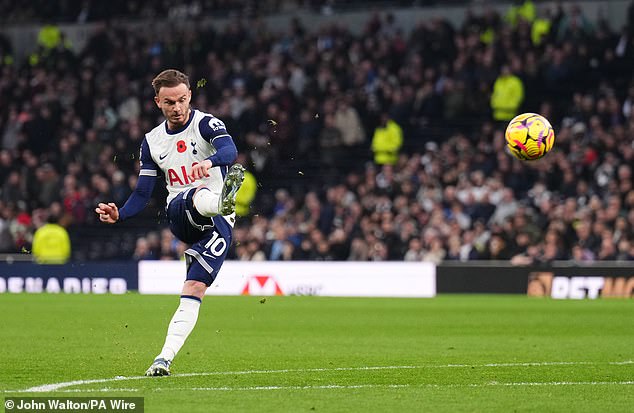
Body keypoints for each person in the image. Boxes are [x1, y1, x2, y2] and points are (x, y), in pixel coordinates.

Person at [95, 69, 245, 376]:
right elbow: (143, 191)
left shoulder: (206, 124)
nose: (177, 107)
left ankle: (163, 358)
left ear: (189, 95)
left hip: (219, 222)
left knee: (194, 287)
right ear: (157, 103)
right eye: (169, 102)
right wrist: (120, 213)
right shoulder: (152, 142)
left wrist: (211, 161)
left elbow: (230, 150)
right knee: (193, 194)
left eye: (181, 100)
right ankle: (219, 199)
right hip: (181, 215)